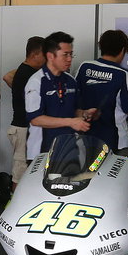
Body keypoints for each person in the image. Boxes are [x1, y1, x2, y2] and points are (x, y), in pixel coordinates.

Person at [24, 31, 94, 160]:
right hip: (42, 152)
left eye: (71, 55)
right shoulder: (36, 82)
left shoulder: (70, 80)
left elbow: (75, 111)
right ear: (50, 56)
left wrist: (84, 114)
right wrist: (71, 122)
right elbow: (35, 119)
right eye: (65, 55)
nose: (69, 59)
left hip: (69, 151)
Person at [76, 30, 128, 151]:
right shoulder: (122, 74)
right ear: (122, 50)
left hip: (85, 136)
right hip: (114, 139)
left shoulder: (84, 66)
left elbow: (74, 96)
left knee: (86, 169)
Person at [2, 37, 46, 180]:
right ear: (35, 55)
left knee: (30, 171)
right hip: (22, 129)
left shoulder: (27, 71)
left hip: (27, 129)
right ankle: (14, 201)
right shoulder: (26, 75)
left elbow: (8, 77)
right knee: (20, 174)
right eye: (45, 54)